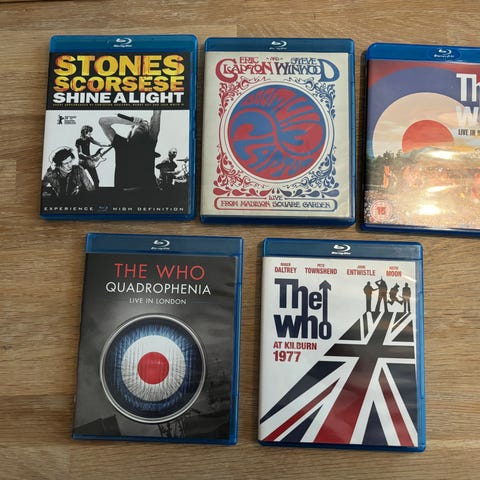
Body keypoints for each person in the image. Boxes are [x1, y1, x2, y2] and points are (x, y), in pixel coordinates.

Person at [99, 111, 160, 191]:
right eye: (140, 124)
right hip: (124, 194)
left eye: (147, 125)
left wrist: (138, 123)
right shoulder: (121, 144)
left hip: (147, 192)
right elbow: (102, 122)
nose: (143, 124)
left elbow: (156, 113)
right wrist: (130, 121)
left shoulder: (149, 144)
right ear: (131, 131)